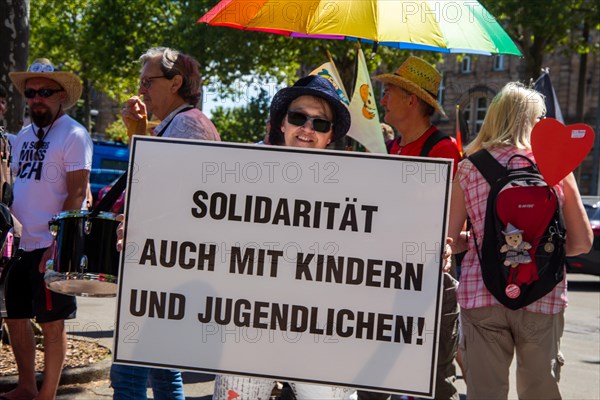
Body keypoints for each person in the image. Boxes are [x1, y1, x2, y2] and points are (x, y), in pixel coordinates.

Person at [211, 75, 356, 400]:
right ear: (281, 123)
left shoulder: (356, 187)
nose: (307, 129)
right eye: (298, 117)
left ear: (330, 134)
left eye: (320, 123)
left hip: (324, 333)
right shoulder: (240, 171)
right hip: (246, 329)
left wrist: (428, 252)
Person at [447, 82, 592, 399]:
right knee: (539, 390)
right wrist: (540, 252)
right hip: (543, 294)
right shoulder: (555, 167)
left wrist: (481, 241)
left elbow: (450, 239)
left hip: (482, 292)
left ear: (493, 117)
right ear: (534, 122)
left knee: (485, 391)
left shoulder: (470, 167)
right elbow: (582, 243)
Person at [110, 46, 220, 400]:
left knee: (128, 375)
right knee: (162, 369)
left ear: (175, 82)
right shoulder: (178, 124)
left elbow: (181, 199)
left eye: (148, 81)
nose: (141, 89)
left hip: (162, 266)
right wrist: (138, 131)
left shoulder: (189, 125)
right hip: (163, 263)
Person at [357, 56, 463, 400]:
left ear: (412, 100)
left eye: (388, 92)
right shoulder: (392, 147)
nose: (382, 99)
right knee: (372, 380)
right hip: (385, 278)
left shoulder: (443, 151)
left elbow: (445, 225)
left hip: (424, 287)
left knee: (432, 383)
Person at [2, 58, 93, 400]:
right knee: (15, 317)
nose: (36, 98)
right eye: (30, 93)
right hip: (18, 245)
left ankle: (47, 395)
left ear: (60, 96)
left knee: (53, 324)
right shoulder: (23, 136)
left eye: (44, 92)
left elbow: (77, 192)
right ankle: (27, 386)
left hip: (50, 246)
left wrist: (60, 246)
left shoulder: (74, 134)